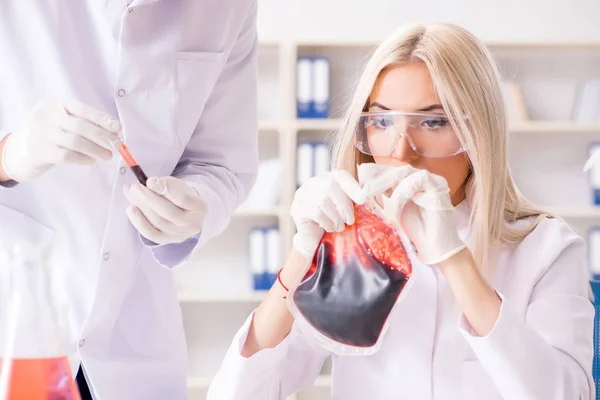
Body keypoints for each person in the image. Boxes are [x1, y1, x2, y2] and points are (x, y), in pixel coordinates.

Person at [207, 22, 595, 400]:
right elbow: (237, 394)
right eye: (381, 120)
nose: (400, 150)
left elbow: (567, 394)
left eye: (433, 121)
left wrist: (455, 262)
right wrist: (299, 261)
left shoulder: (547, 248)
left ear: (478, 133)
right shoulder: (348, 245)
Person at [0, 1, 258, 398]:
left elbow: (223, 163)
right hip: (16, 323)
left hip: (134, 340)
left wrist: (197, 205)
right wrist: (10, 155)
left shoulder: (227, 8)